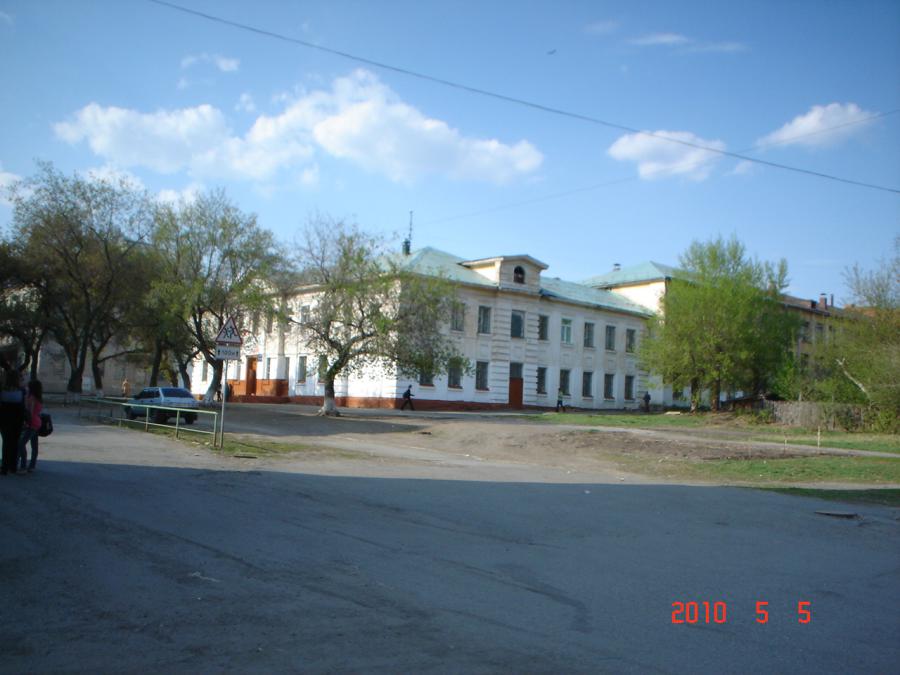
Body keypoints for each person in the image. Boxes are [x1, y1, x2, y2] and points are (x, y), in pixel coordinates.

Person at [0, 358, 25, 476]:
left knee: (6, 442)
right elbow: (23, 407)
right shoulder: (21, 391)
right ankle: (13, 466)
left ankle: (4, 467)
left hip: (4, 419)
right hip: (17, 420)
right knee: (15, 443)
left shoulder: (2, 391)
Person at [18, 379, 43, 473]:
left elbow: (30, 413)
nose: (26, 387)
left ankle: (23, 466)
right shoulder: (38, 398)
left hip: (31, 424)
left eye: (28, 386)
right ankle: (32, 465)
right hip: (37, 423)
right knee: (34, 445)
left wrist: (26, 424)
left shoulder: (31, 398)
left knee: (21, 444)